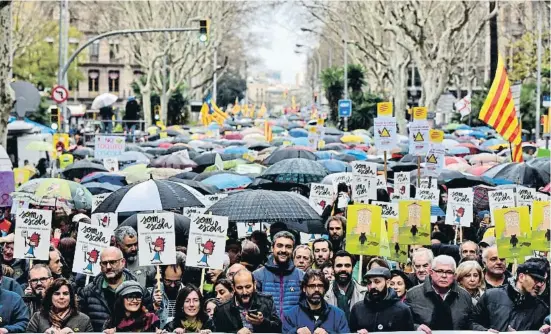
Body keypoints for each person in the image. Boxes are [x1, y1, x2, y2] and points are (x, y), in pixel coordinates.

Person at [473, 262, 549, 331]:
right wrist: (485, 331)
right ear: (521, 277)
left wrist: (543, 329)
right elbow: (471, 323)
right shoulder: (491, 296)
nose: (539, 285)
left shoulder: (541, 308)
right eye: (536, 279)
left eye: (542, 281)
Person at [406, 255, 473, 332]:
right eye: (440, 271)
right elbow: (404, 323)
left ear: (454, 276)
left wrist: (486, 331)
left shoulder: (464, 296)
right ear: (431, 272)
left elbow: (470, 324)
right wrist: (416, 328)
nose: (444, 276)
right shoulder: (413, 295)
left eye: (449, 272)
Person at [78, 247, 138, 331]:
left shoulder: (138, 291)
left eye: (113, 262)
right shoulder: (88, 292)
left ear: (123, 262)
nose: (108, 267)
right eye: (104, 263)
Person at [253, 231, 304, 318]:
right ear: (272, 248)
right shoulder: (258, 275)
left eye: (288, 247)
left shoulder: (301, 276)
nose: (283, 250)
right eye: (279, 246)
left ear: (293, 250)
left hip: (292, 329)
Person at [213, 269, 281, 333]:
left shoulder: (267, 302)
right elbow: (217, 332)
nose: (244, 292)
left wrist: (263, 322)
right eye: (239, 288)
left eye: (248, 287)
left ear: (254, 285)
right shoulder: (222, 310)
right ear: (233, 288)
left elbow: (278, 328)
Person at [282, 269, 349, 334]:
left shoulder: (338, 315)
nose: (316, 289)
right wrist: (296, 331)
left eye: (320, 286)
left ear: (325, 289)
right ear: (304, 288)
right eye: (312, 286)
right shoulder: (290, 315)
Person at [349, 267, 414, 332]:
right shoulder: (357, 309)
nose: (372, 286)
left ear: (388, 283)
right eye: (369, 282)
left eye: (377, 282)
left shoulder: (402, 310)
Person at [27, 278, 93, 333]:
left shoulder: (84, 320)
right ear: (50, 297)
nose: (61, 297)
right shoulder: (37, 318)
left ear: (71, 297)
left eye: (65, 293)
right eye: (57, 294)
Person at [324, 250, 367, 321]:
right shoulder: (324, 293)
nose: (343, 269)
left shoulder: (364, 294)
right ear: (333, 268)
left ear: (352, 268)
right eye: (339, 265)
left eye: (347, 265)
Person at [149, 255, 185, 329]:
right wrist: (153, 306)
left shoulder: (187, 295)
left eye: (177, 281)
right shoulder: (152, 293)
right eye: (168, 281)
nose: (172, 285)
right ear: (162, 276)